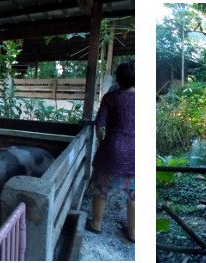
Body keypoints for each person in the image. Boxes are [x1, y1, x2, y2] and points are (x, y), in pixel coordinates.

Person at [86, 62, 135, 243]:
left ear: (117, 78)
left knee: (102, 187)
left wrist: (101, 143)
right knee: (134, 193)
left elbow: (99, 124)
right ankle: (133, 232)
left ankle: (96, 224)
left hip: (113, 149)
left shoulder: (111, 97)